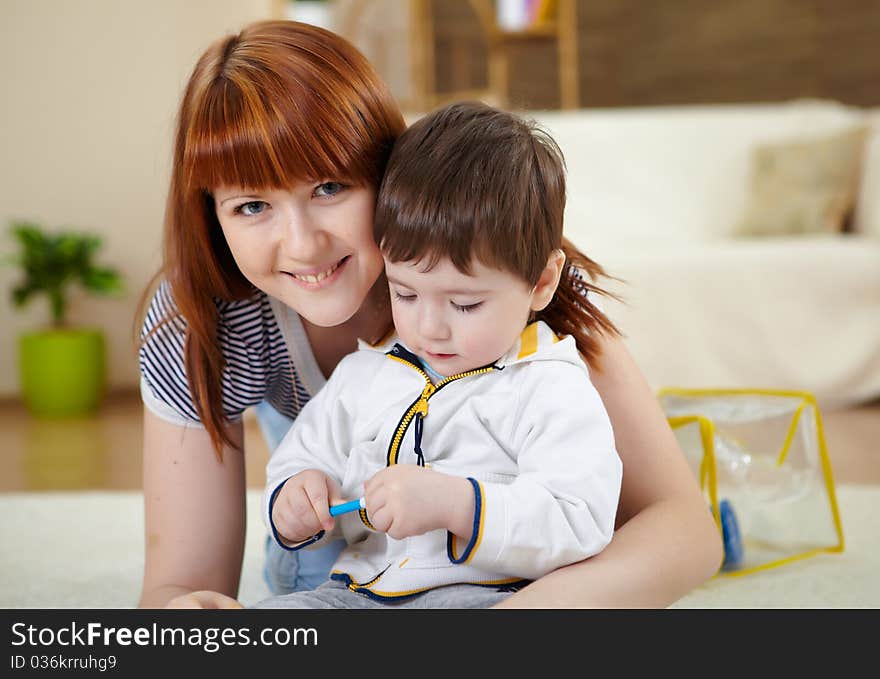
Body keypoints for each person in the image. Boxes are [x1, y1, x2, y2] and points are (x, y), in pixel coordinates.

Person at [137, 19, 722, 610]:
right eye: (252, 205)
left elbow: (683, 532)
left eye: (330, 187)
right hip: (354, 533)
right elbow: (181, 587)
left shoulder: (500, 274)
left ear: (386, 174)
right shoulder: (203, 319)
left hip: (506, 529)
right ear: (211, 213)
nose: (302, 245)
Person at [254, 101, 623, 608]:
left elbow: (579, 517)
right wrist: (295, 499)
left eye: (465, 304)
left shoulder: (548, 387)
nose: (428, 327)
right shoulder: (365, 375)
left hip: (484, 597)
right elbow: (302, 456)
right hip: (359, 593)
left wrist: (460, 505)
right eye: (404, 294)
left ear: (540, 282)